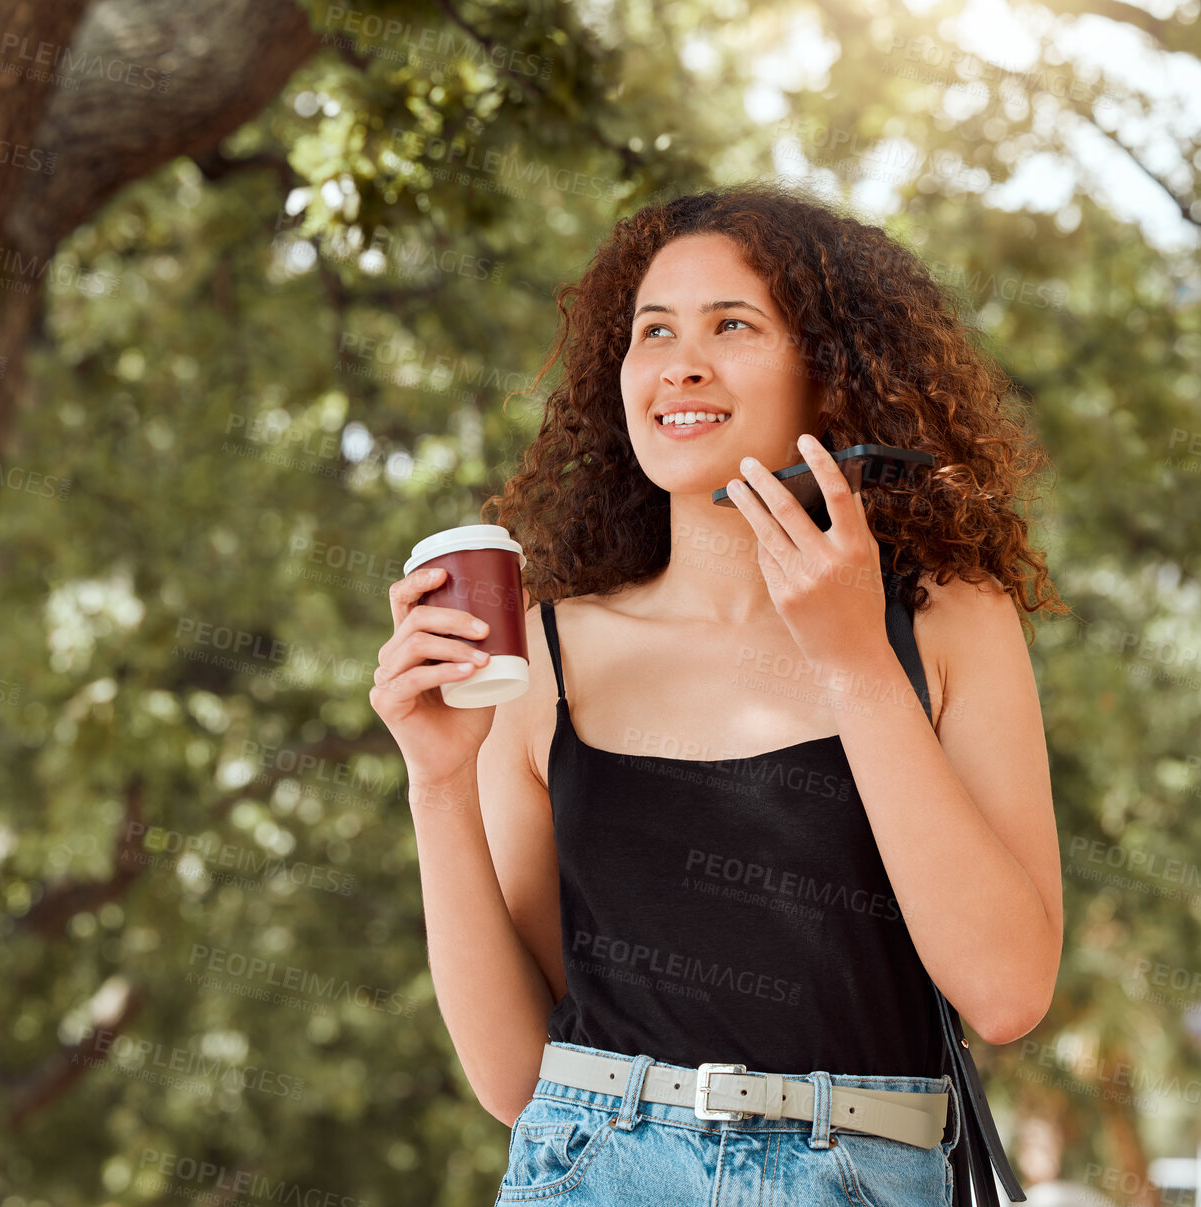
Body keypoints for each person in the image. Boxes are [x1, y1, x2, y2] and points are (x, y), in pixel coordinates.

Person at [371, 181, 1065, 1206]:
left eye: (732, 324)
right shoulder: (549, 660)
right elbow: (517, 1078)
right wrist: (437, 780)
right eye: (653, 330)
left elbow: (1006, 993)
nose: (680, 361)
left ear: (829, 376)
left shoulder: (944, 624)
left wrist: (855, 663)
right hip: (591, 1171)